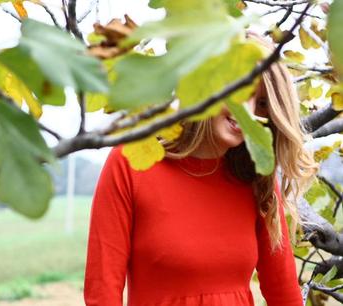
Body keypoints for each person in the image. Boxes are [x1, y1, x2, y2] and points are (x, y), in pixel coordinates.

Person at [83, 32, 319, 306]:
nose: (248, 112)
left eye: (263, 104)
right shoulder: (133, 159)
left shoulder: (256, 177)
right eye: (241, 91)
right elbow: (102, 294)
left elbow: (284, 293)